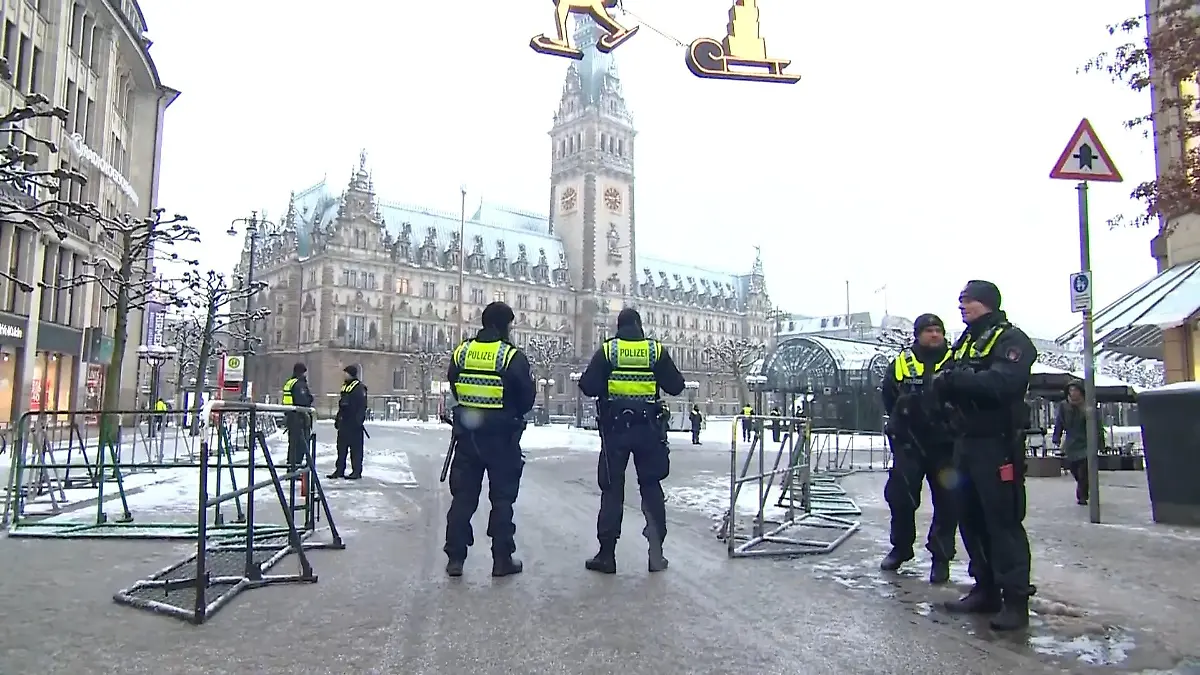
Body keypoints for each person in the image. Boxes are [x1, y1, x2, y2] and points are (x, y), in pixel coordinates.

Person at [934, 280, 1037, 631]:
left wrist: (957, 380)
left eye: (969, 301)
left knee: (1002, 520)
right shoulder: (965, 341)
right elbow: (943, 377)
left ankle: (1016, 600)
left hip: (997, 443)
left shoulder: (1011, 340)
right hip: (965, 441)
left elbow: (1003, 383)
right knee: (970, 517)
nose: (962, 306)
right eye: (960, 301)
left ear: (987, 303)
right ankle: (986, 588)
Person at [578, 307, 685, 574]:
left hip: (615, 429)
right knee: (651, 487)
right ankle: (656, 554)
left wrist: (608, 385)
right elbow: (676, 385)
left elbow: (588, 385)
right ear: (639, 326)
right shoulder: (655, 351)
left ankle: (607, 555)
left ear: (618, 326)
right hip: (649, 429)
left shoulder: (609, 351)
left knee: (612, 489)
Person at [443, 302, 534, 578]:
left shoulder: (462, 352)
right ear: (503, 325)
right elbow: (526, 398)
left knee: (463, 497)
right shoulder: (511, 357)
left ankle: (455, 558)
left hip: (468, 437)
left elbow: (454, 383)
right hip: (502, 439)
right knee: (502, 499)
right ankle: (501, 559)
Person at [880, 313, 958, 584]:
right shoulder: (902, 363)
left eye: (939, 330)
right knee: (900, 498)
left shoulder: (955, 361)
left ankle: (941, 557)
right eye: (929, 330)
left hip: (946, 447)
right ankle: (901, 547)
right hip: (910, 444)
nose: (935, 335)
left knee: (948, 503)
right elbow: (888, 395)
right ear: (918, 334)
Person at [1052, 380, 1089, 506]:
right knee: (1073, 467)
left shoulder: (1087, 405)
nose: (1073, 393)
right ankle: (1083, 486)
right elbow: (1059, 422)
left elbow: (1096, 425)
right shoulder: (1064, 406)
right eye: (1071, 390)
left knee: (1083, 471)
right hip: (1071, 443)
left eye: (1076, 390)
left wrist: (1100, 442)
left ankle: (1082, 495)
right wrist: (1056, 437)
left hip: (1085, 443)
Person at [329, 365, 367, 480]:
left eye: (345, 373)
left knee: (355, 449)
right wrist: (338, 418)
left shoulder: (359, 387)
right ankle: (339, 470)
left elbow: (362, 406)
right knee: (341, 447)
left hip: (354, 423)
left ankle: (356, 471)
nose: (344, 375)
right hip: (344, 422)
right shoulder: (346, 386)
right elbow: (342, 405)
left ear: (351, 374)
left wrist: (358, 420)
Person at [281, 362, 315, 469]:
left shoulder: (290, 382)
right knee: (301, 445)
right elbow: (304, 399)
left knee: (293, 444)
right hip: (299, 418)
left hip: (291, 416)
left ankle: (291, 467)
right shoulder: (299, 384)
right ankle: (295, 468)